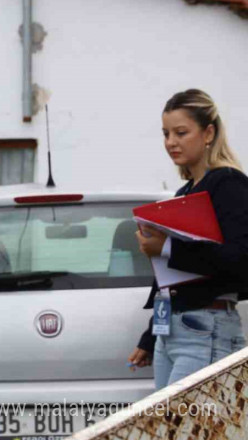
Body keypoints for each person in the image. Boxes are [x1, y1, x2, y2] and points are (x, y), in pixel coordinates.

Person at [128, 89, 248, 389]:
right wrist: (150, 335)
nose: (170, 142)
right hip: (171, 332)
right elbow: (172, 281)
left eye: (181, 132)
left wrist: (166, 247)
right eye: (166, 133)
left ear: (208, 133)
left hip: (207, 329)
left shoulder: (228, 182)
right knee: (173, 431)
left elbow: (239, 259)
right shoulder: (183, 194)